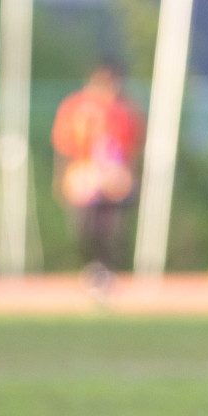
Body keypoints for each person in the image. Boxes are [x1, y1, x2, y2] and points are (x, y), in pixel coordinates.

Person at [50, 62, 144, 291]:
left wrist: (128, 177)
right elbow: (64, 146)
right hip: (84, 172)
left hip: (112, 175)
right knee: (84, 226)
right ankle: (94, 267)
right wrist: (63, 177)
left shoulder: (125, 110)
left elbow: (131, 148)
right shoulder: (75, 107)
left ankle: (106, 270)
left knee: (110, 227)